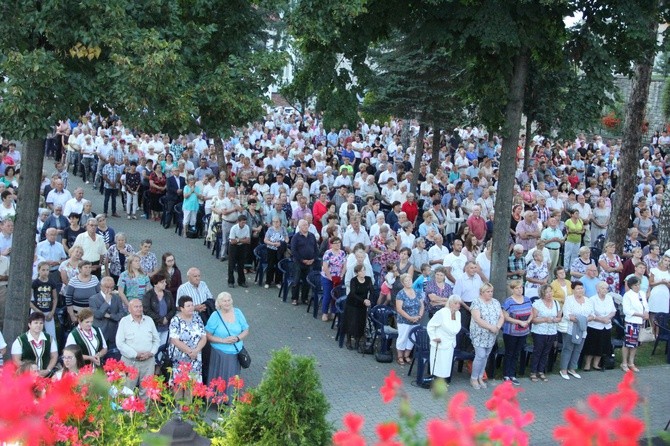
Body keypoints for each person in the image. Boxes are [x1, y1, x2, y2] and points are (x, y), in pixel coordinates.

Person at [205, 292, 249, 402]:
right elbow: (208, 335)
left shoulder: (238, 312)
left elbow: (246, 329)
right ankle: (217, 399)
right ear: (219, 303)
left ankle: (230, 399)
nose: (227, 302)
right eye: (224, 301)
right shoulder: (215, 316)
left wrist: (238, 338)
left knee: (232, 377)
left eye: (229, 300)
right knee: (219, 376)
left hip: (235, 352)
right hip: (219, 353)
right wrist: (223, 340)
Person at [116, 299, 160, 397]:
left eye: (140, 306)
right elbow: (119, 343)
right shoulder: (124, 321)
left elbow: (156, 340)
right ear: (129, 309)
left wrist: (151, 353)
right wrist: (135, 354)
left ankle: (145, 412)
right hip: (130, 361)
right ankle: (127, 412)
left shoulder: (149, 320)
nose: (139, 309)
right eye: (136, 307)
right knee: (127, 389)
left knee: (146, 390)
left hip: (148, 361)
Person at [469, 283, 504, 389]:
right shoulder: (476, 302)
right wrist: (490, 327)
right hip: (479, 333)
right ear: (482, 292)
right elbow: (477, 319)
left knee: (486, 356)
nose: (490, 293)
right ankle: (473, 378)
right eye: (487, 291)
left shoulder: (495, 302)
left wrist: (497, 326)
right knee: (480, 355)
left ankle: (480, 377)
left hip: (492, 334)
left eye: (491, 291)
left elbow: (501, 316)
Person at [559, 282, 595, 380]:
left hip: (583, 329)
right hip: (571, 328)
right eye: (578, 288)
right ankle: (563, 369)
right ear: (573, 290)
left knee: (578, 349)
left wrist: (586, 319)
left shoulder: (588, 301)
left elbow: (592, 314)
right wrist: (580, 319)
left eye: (582, 288)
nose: (580, 290)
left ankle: (572, 368)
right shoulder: (569, 300)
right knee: (568, 348)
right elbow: (567, 314)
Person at [169, 296, 208, 383]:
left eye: (192, 305)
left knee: (193, 385)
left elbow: (203, 337)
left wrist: (196, 350)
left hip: (195, 358)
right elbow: (174, 340)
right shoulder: (175, 320)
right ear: (181, 308)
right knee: (179, 385)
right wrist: (190, 352)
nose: (191, 308)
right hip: (180, 358)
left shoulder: (197, 318)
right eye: (188, 306)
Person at [501, 280, 532, 386]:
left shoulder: (527, 299)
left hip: (523, 332)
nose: (520, 290)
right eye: (517, 288)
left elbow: (531, 312)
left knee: (516, 353)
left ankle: (513, 374)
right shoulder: (508, 301)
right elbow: (505, 316)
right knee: (509, 353)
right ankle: (506, 374)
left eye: (521, 288)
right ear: (512, 289)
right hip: (511, 332)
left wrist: (528, 321)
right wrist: (519, 322)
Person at [426, 295, 462, 383]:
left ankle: (444, 382)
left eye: (459, 303)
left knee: (447, 364)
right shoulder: (442, 313)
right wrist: (434, 337)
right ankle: (436, 382)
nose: (458, 305)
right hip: (440, 342)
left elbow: (456, 328)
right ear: (450, 303)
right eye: (456, 303)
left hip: (450, 343)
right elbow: (430, 326)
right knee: (439, 364)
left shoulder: (458, 314)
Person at [529, 284, 561, 382]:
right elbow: (533, 319)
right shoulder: (537, 303)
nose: (549, 294)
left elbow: (559, 317)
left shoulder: (556, 303)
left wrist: (556, 320)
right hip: (539, 331)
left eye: (550, 291)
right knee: (538, 351)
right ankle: (533, 372)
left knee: (546, 352)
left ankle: (541, 371)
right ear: (542, 293)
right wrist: (545, 319)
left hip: (551, 331)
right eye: (546, 292)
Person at [11, 312, 59, 376]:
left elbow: (54, 356)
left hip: (46, 376)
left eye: (41, 323)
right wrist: (31, 372)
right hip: (26, 377)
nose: (38, 325)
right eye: (35, 323)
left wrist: (48, 370)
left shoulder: (50, 339)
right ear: (29, 324)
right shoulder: (20, 341)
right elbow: (16, 360)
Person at [582, 281, 616, 371]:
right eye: (603, 288)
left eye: (606, 288)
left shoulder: (609, 298)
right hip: (594, 326)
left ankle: (596, 364)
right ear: (597, 289)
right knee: (591, 346)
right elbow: (591, 313)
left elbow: (613, 311)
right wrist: (601, 319)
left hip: (606, 326)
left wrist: (607, 318)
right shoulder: (592, 299)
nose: (605, 290)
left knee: (602, 346)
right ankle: (587, 364)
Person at [621, 276, 649, 372]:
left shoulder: (642, 293)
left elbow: (646, 305)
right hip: (631, 322)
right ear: (631, 286)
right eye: (635, 285)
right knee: (628, 343)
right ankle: (624, 363)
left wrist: (646, 313)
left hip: (641, 322)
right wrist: (640, 314)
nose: (638, 287)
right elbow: (626, 310)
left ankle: (631, 362)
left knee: (635, 343)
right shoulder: (627, 295)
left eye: (638, 284)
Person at [395, 273, 424, 365]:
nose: (409, 282)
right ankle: (400, 356)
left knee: (413, 338)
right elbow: (399, 309)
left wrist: (419, 316)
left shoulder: (417, 292)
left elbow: (422, 305)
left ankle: (407, 355)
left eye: (410, 280)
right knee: (402, 338)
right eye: (406, 281)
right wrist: (410, 318)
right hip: (404, 321)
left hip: (416, 320)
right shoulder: (401, 294)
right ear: (403, 283)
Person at [89, 276, 126, 348]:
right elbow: (98, 315)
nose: (109, 289)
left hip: (114, 332)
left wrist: (110, 316)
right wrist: (106, 302)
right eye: (107, 287)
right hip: (100, 332)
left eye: (112, 287)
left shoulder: (117, 298)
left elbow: (122, 314)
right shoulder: (93, 299)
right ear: (101, 286)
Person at [343, 264, 373, 350]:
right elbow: (353, 293)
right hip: (352, 303)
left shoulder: (368, 279)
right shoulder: (353, 280)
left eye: (364, 270)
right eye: (361, 271)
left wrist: (369, 300)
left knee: (360, 322)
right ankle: (348, 341)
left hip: (362, 305)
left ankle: (357, 341)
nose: (363, 272)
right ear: (357, 272)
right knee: (351, 322)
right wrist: (363, 300)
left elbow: (372, 291)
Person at [290, 219, 319, 305]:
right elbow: (294, 251)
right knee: (296, 280)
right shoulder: (295, 237)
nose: (306, 227)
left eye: (307, 225)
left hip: (310, 262)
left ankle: (305, 298)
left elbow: (316, 250)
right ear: (299, 227)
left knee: (307, 281)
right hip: (298, 262)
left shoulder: (312, 236)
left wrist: (313, 259)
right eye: (303, 225)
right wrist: (302, 260)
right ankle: (294, 298)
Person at [143, 273, 176, 345]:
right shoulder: (148, 295)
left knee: (164, 346)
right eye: (162, 282)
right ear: (155, 284)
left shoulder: (168, 294)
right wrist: (161, 320)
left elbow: (173, 309)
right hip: (154, 327)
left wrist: (166, 318)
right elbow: (147, 311)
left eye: (165, 281)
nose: (165, 284)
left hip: (167, 326)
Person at [30, 261, 58, 340]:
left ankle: (53, 351)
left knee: (52, 335)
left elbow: (55, 298)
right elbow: (28, 300)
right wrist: (37, 311)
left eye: (47, 270)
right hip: (36, 310)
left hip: (48, 311)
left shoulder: (51, 283)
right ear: (38, 270)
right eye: (43, 270)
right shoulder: (35, 283)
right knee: (35, 332)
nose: (45, 272)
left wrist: (52, 312)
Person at [321, 236, 347, 321]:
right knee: (327, 295)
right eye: (335, 243)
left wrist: (342, 275)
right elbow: (325, 267)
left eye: (339, 243)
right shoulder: (328, 253)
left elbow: (344, 265)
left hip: (338, 276)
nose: (338, 245)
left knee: (336, 295)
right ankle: (324, 313)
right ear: (331, 244)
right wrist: (330, 277)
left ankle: (333, 312)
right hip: (328, 277)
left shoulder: (342, 253)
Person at [648, 253, 670, 337]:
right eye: (665, 260)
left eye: (669, 261)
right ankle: (652, 331)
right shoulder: (654, 270)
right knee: (653, 312)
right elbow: (651, 283)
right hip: (656, 292)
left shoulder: (669, 272)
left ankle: (658, 333)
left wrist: (666, 283)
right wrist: (661, 282)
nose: (667, 262)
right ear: (662, 260)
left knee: (661, 313)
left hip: (664, 293)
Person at [227, 215, 251, 288]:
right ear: (238, 222)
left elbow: (248, 240)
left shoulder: (246, 227)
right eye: (242, 223)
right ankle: (231, 281)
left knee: (241, 264)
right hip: (233, 247)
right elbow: (232, 241)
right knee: (231, 264)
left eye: (245, 222)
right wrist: (242, 239)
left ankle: (241, 281)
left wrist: (238, 239)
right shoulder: (234, 228)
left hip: (242, 247)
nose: (244, 224)